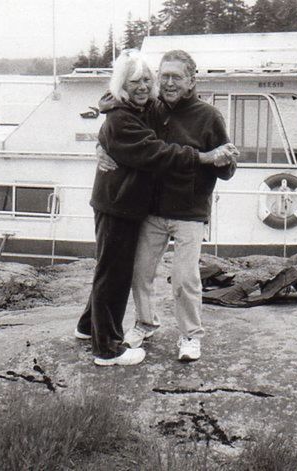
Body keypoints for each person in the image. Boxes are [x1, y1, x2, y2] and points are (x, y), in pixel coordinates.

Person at [75, 49, 235, 366]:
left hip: (189, 211)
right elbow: (125, 129)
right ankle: (143, 325)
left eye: (175, 77)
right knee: (136, 273)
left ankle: (190, 336)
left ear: (192, 81)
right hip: (150, 210)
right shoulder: (153, 108)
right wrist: (101, 145)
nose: (166, 82)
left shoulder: (208, 116)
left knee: (183, 279)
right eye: (164, 76)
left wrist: (223, 160)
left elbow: (225, 169)